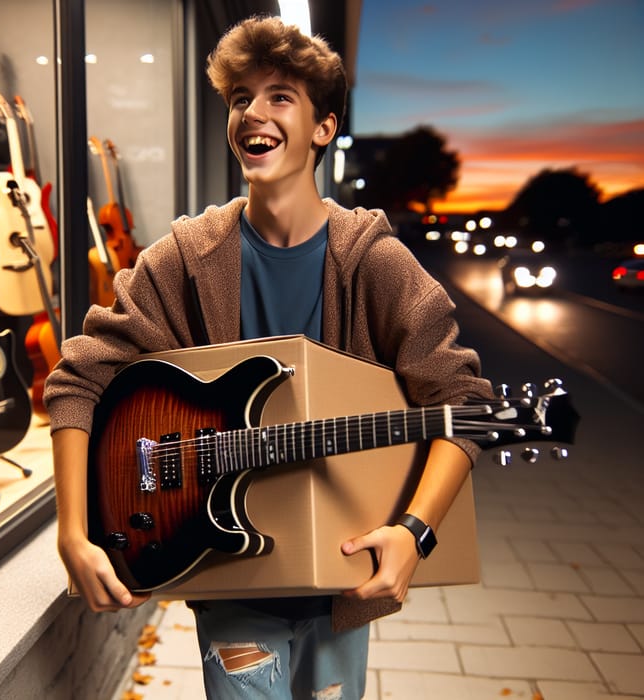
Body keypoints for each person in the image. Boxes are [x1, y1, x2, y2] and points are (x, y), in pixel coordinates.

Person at [44, 14, 495, 700]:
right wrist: (73, 532)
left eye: (279, 95)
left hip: (343, 579)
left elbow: (460, 402)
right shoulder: (187, 257)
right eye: (240, 98)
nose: (253, 112)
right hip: (228, 571)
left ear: (323, 127)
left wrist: (414, 533)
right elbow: (79, 375)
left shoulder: (374, 262)